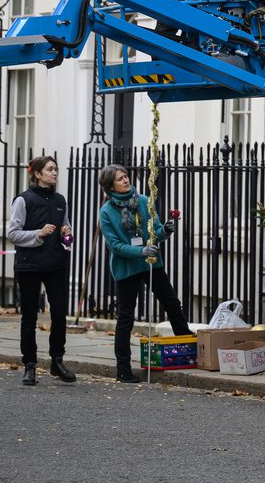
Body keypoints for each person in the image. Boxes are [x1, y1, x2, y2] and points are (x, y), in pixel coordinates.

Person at [97, 164, 193, 383]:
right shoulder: (106, 212)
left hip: (151, 263)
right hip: (127, 268)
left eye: (126, 176)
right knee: (126, 317)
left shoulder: (143, 201)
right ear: (110, 185)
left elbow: (155, 232)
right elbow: (115, 246)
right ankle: (123, 368)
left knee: (172, 303)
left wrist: (165, 230)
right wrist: (140, 250)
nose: (125, 180)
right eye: (120, 179)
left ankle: (188, 348)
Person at [5, 155, 76, 386]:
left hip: (56, 264)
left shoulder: (60, 200)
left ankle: (57, 361)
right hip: (30, 265)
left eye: (56, 169)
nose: (55, 173)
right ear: (37, 173)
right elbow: (12, 233)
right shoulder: (24, 200)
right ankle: (30, 365)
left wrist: (67, 235)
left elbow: (67, 236)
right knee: (30, 316)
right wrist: (38, 234)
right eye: (50, 169)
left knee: (58, 314)